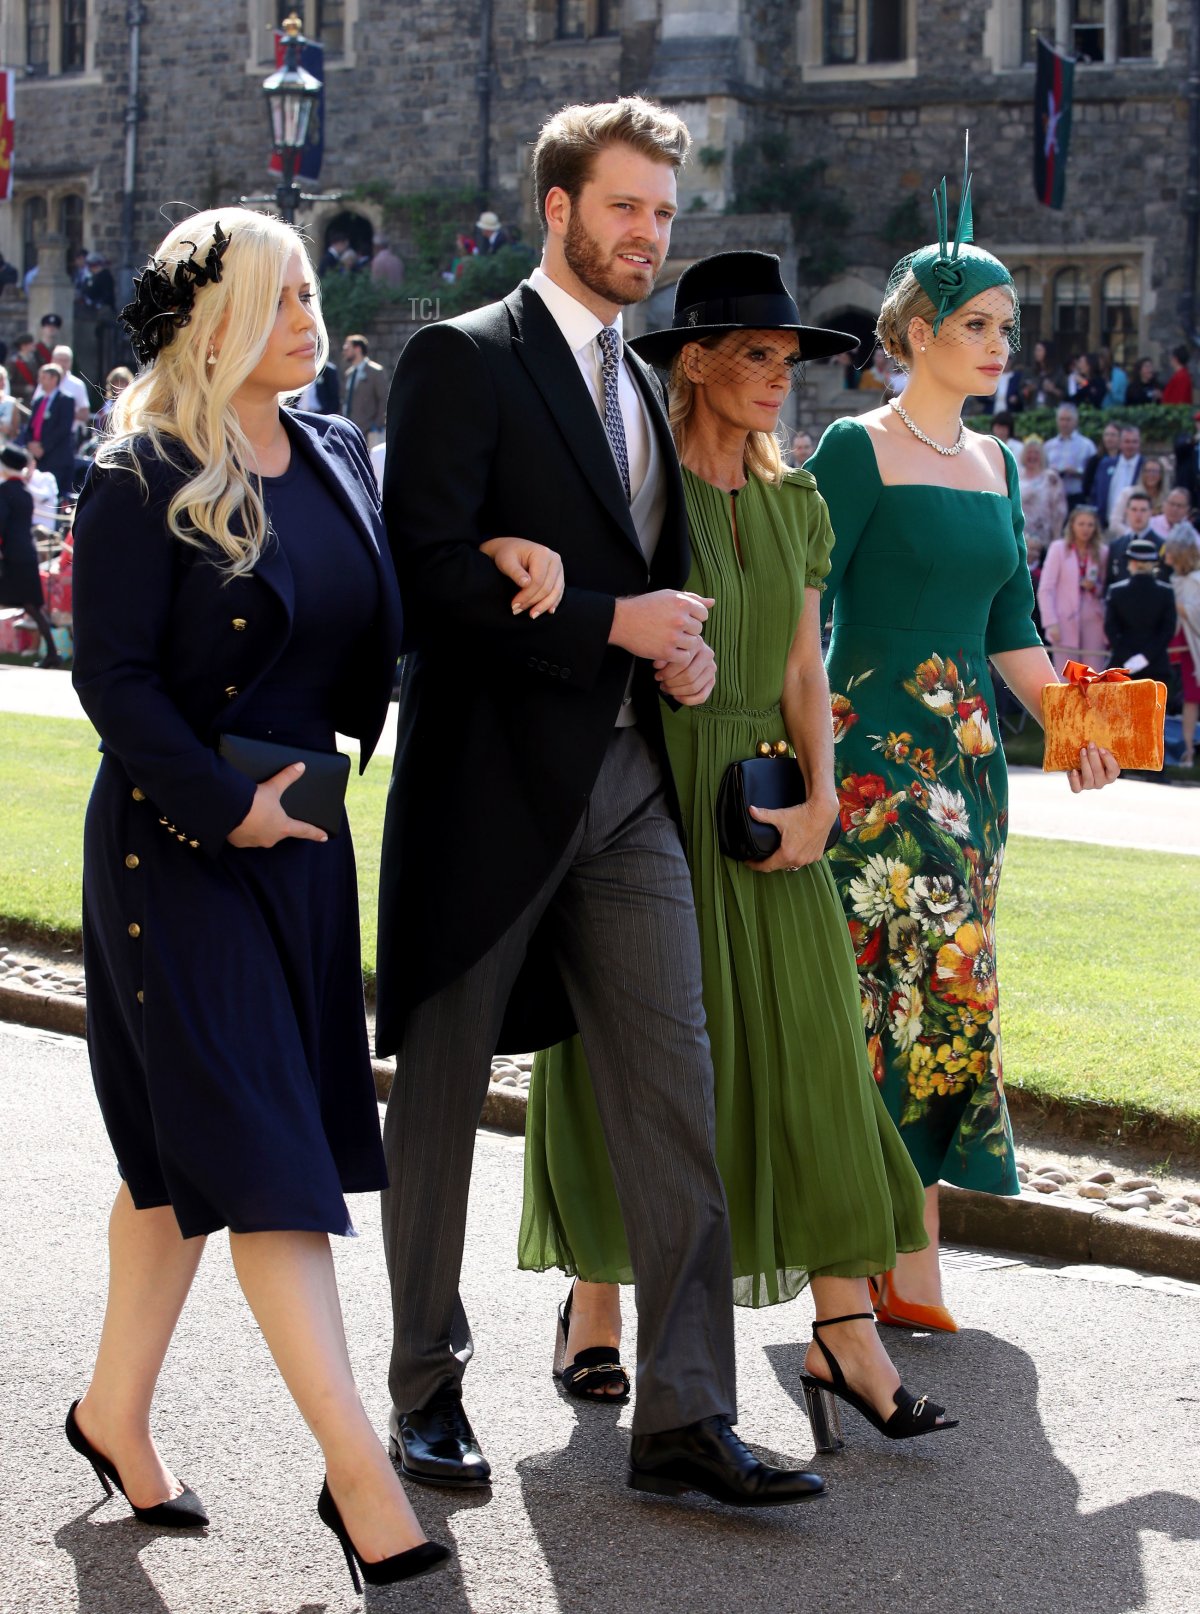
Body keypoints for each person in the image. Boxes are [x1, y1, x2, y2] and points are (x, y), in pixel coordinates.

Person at [375, 96, 822, 1510]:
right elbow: (432, 581)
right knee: (444, 1101)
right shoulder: (462, 358)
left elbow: (650, 583)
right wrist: (612, 621)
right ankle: (426, 1388)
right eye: (626, 208)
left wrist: (675, 649)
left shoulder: (640, 386)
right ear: (559, 209)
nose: (649, 236)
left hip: (630, 790)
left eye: (665, 216)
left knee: (677, 1093)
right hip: (483, 790)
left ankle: (687, 1414)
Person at [65, 207, 451, 1595]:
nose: (314, 311)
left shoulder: (338, 446)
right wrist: (224, 804)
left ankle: (111, 1413)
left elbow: (390, 602)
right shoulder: (138, 470)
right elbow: (109, 681)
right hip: (180, 851)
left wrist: (525, 576)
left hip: (305, 856)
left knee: (183, 1158)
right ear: (218, 316)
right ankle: (362, 1475)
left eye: (312, 289)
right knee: (271, 1155)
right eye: (285, 294)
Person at [518, 251, 955, 1451]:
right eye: (754, 357)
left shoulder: (800, 499)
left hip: (771, 808)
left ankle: (842, 1329)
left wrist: (820, 802)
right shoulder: (639, 498)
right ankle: (596, 1295)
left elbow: (807, 671)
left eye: (791, 360)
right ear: (695, 364)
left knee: (813, 1062)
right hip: (649, 800)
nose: (778, 379)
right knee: (644, 1070)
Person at [806, 156, 1119, 1330]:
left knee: (941, 998)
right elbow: (800, 610)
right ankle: (897, 1250)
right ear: (919, 331)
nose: (1002, 345)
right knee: (905, 999)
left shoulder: (993, 463)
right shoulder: (853, 447)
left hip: (973, 772)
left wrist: (1083, 730)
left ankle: (900, 1242)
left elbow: (1014, 632)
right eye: (980, 325)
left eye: (1009, 326)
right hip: (874, 765)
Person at [0, 444, 61, 666]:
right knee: (32, 606)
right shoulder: (25, 493)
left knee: (30, 606)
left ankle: (53, 653)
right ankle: (53, 652)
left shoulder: (5, 491)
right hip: (26, 553)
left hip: (11, 556)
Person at [1038, 504, 1109, 675]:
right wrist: (1051, 622)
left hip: (1094, 621)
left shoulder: (1102, 551)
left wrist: (1095, 587)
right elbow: (1046, 588)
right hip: (1063, 622)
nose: (1085, 529)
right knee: (1067, 677)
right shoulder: (1058, 549)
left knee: (1094, 677)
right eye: (1081, 524)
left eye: (1090, 524)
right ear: (1072, 525)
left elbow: (1104, 588)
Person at [1104, 533, 1176, 685]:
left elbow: (1110, 628)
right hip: (1157, 666)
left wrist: (1128, 657)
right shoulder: (1166, 592)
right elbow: (1168, 630)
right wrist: (1146, 657)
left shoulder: (1116, 591)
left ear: (1132, 563)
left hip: (1122, 666)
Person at [1164, 530, 1200, 766]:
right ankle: (1185, 750)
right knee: (1186, 697)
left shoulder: (1196, 579)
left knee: (1192, 697)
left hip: (1193, 645)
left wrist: (1172, 603)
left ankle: (1189, 750)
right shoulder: (1174, 579)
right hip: (1180, 646)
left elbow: (1195, 612)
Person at [18, 363, 76, 498]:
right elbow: (31, 425)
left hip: (56, 457)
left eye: (43, 377)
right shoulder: (38, 401)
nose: (40, 381)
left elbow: (64, 428)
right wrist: (30, 444)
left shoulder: (66, 400)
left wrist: (43, 447)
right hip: (38, 458)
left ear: (54, 379)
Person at [1015, 434, 1066, 577]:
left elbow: (1059, 510)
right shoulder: (1016, 475)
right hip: (1019, 534)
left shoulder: (1050, 477)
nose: (1032, 456)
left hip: (1043, 536)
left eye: (1036, 453)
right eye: (1029, 453)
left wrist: (1056, 536)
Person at [1104, 488, 1158, 592]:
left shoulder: (1161, 545)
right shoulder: (1116, 546)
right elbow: (1110, 581)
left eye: (1143, 510)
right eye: (1134, 509)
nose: (1138, 515)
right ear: (1127, 511)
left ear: (1151, 512)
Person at [1044, 401, 1096, 509]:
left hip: (1077, 495)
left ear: (1075, 421)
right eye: (1062, 419)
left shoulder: (1087, 445)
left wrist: (1077, 472)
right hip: (1052, 497)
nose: (1064, 423)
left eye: (1068, 419)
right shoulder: (1048, 446)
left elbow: (1094, 474)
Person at [1092, 424, 1143, 530]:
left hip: (1134, 527)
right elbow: (1095, 493)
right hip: (1105, 526)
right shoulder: (1105, 464)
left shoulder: (1145, 466)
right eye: (1127, 441)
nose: (1130, 446)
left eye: (1134, 442)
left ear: (1139, 444)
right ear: (1120, 443)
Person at [341, 334, 387, 439]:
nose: (344, 352)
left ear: (357, 349)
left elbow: (383, 399)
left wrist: (376, 425)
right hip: (349, 429)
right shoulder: (349, 373)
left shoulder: (375, 371)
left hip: (368, 431)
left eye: (347, 348)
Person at [1081, 419, 1121, 505]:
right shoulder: (1094, 460)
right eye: (1106, 435)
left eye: (1113, 435)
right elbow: (1087, 485)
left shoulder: (1124, 460)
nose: (1109, 438)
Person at [93, 365, 133, 434]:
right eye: (117, 383)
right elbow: (100, 423)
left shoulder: (133, 401)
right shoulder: (109, 403)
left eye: (123, 383)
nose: (119, 386)